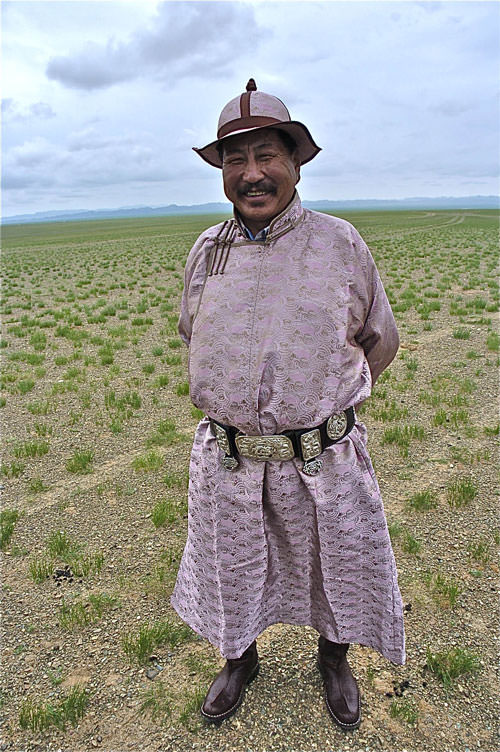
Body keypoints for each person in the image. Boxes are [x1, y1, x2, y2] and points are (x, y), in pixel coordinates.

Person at [171, 79, 406, 731]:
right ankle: (238, 659)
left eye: (267, 154)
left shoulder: (340, 244)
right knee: (231, 567)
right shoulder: (207, 251)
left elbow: (379, 341)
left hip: (321, 458)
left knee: (338, 566)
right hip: (230, 461)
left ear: (296, 162)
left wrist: (320, 402)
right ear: (223, 172)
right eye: (235, 160)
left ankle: (334, 660)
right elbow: (193, 334)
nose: (252, 173)